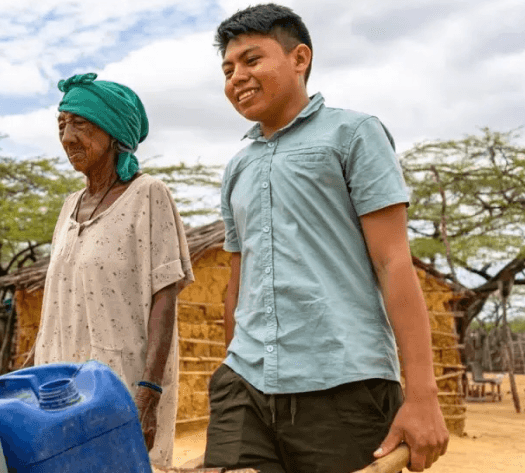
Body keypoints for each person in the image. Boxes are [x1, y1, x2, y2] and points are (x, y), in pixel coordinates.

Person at [203, 4, 449, 472]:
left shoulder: (353, 134)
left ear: (300, 59)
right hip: (244, 383)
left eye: (252, 60)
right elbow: (237, 283)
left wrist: (422, 396)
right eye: (228, 68)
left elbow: (393, 262)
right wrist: (230, 368)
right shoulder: (238, 167)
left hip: (343, 384)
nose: (237, 77)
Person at [31, 72, 194, 467]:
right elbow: (60, 298)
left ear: (113, 132)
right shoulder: (69, 206)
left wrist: (149, 391)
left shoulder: (148, 195)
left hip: (119, 387)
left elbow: (164, 296)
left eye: (80, 124)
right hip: (59, 387)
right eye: (61, 125)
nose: (67, 137)